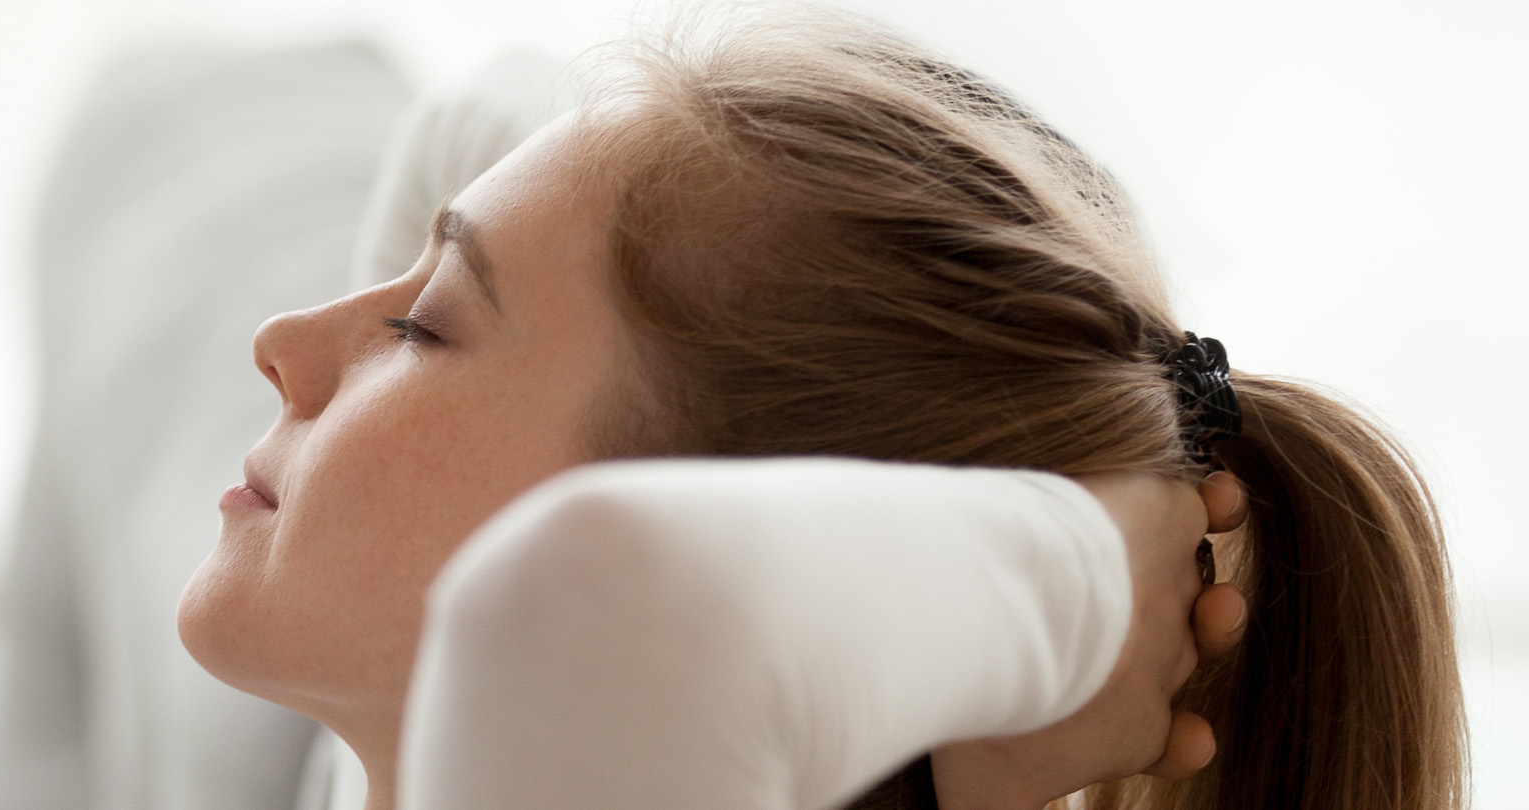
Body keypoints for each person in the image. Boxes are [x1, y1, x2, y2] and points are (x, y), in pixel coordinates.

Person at [176, 6, 1465, 810]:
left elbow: (587, 603)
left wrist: (1099, 582)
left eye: (424, 324)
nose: (284, 342)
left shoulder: (578, 671)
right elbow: (480, 108)